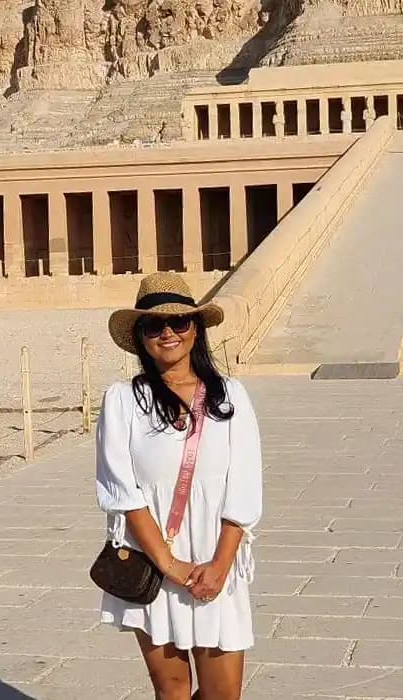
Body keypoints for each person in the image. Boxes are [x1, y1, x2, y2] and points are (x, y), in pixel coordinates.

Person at [96, 271, 263, 700]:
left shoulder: (230, 396)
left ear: (196, 329)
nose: (167, 333)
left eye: (179, 323)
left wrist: (219, 566)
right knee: (171, 691)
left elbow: (244, 487)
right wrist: (172, 566)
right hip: (154, 564)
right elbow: (123, 492)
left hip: (215, 562)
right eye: (154, 325)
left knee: (221, 694)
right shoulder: (122, 400)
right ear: (140, 336)